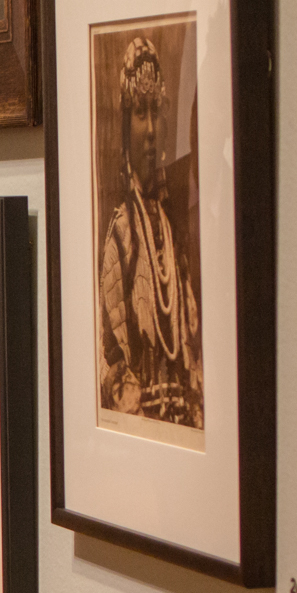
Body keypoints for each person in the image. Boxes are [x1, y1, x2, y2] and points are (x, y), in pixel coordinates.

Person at [98, 34, 204, 429]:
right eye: (139, 113)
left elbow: (187, 345)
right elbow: (112, 361)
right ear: (125, 127)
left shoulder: (170, 227)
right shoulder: (121, 235)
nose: (149, 129)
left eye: (153, 112)